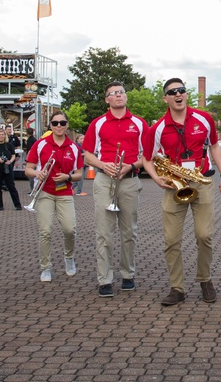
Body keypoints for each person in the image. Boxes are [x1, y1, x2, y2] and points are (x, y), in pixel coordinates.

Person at [144, 78, 221, 306]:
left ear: (186, 94)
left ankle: (205, 280)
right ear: (166, 98)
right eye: (172, 92)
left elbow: (213, 146)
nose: (178, 94)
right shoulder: (158, 128)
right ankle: (177, 288)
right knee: (171, 240)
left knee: (204, 235)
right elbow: (147, 158)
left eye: (181, 90)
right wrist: (155, 177)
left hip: (202, 182)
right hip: (174, 185)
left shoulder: (204, 119)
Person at [82, 82, 151, 298]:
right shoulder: (98, 123)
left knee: (129, 231)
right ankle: (105, 279)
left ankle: (128, 275)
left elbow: (148, 155)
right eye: (113, 93)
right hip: (104, 180)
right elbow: (87, 154)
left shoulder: (139, 123)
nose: (119, 95)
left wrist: (131, 166)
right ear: (107, 100)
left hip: (129, 179)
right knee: (104, 233)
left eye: (121, 92)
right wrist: (103, 165)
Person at [24, 110, 82, 282]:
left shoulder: (73, 147)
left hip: (64, 191)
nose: (59, 126)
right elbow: (28, 169)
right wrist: (37, 173)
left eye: (62, 123)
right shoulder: (40, 144)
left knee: (69, 229)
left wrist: (68, 177)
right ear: (50, 125)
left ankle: (69, 257)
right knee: (45, 231)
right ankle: (45, 267)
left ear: (67, 125)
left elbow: (80, 174)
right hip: (44, 192)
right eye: (55, 123)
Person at [0, 129, 22, 211]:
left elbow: (13, 155)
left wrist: (10, 161)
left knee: (11, 187)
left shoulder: (9, 145)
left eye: (3, 134)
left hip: (7, 168)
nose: (1, 136)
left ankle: (17, 204)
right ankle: (0, 205)